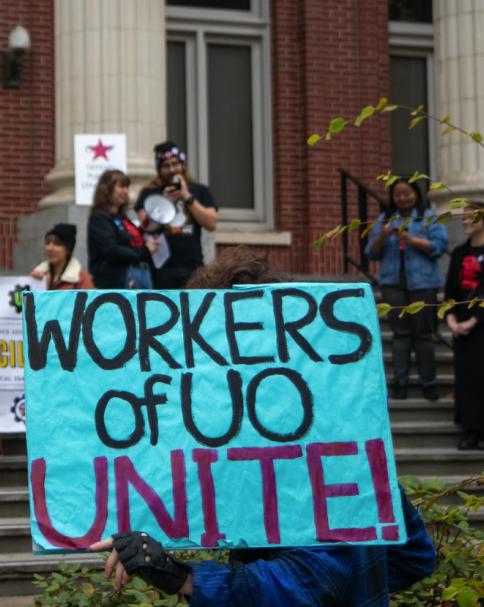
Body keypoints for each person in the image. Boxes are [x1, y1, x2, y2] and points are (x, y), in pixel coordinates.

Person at [89, 247, 436, 606]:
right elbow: (413, 557)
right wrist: (361, 578)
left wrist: (181, 577)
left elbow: (311, 579)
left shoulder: (304, 454)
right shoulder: (332, 438)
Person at [0, 223, 93, 463]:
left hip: (65, 351)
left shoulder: (80, 278)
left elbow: (88, 310)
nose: (50, 248)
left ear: (68, 248)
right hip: (38, 346)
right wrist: (32, 284)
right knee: (5, 381)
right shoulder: (37, 275)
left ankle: (63, 450)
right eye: (48, 243)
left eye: (56, 243)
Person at [365, 179, 449, 401]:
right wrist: (382, 236)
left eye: (407, 193)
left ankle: (428, 384)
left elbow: (439, 247)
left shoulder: (428, 216)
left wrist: (410, 239)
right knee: (400, 335)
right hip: (393, 283)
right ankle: (399, 384)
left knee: (423, 335)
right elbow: (371, 252)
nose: (402, 198)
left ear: (416, 194)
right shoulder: (385, 219)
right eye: (397, 195)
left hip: (424, 283)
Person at [445, 203, 484, 450]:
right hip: (460, 322)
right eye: (464, 217)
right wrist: (452, 321)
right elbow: (451, 289)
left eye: (472, 217)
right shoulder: (459, 252)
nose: (466, 221)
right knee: (467, 378)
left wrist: (474, 321)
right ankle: (470, 430)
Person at [135, 141, 218, 289]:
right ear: (158, 169)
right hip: (162, 269)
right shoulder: (149, 194)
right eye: (166, 166)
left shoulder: (199, 190)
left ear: (182, 164)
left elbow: (211, 223)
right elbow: (146, 227)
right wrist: (166, 202)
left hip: (193, 266)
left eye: (175, 164)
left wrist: (187, 196)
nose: (172, 169)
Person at [88, 169, 160, 289]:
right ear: (106, 189)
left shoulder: (123, 218)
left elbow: (131, 240)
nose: (126, 192)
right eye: (121, 187)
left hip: (139, 275)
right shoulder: (99, 218)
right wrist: (144, 250)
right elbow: (111, 250)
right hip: (117, 281)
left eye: (127, 187)